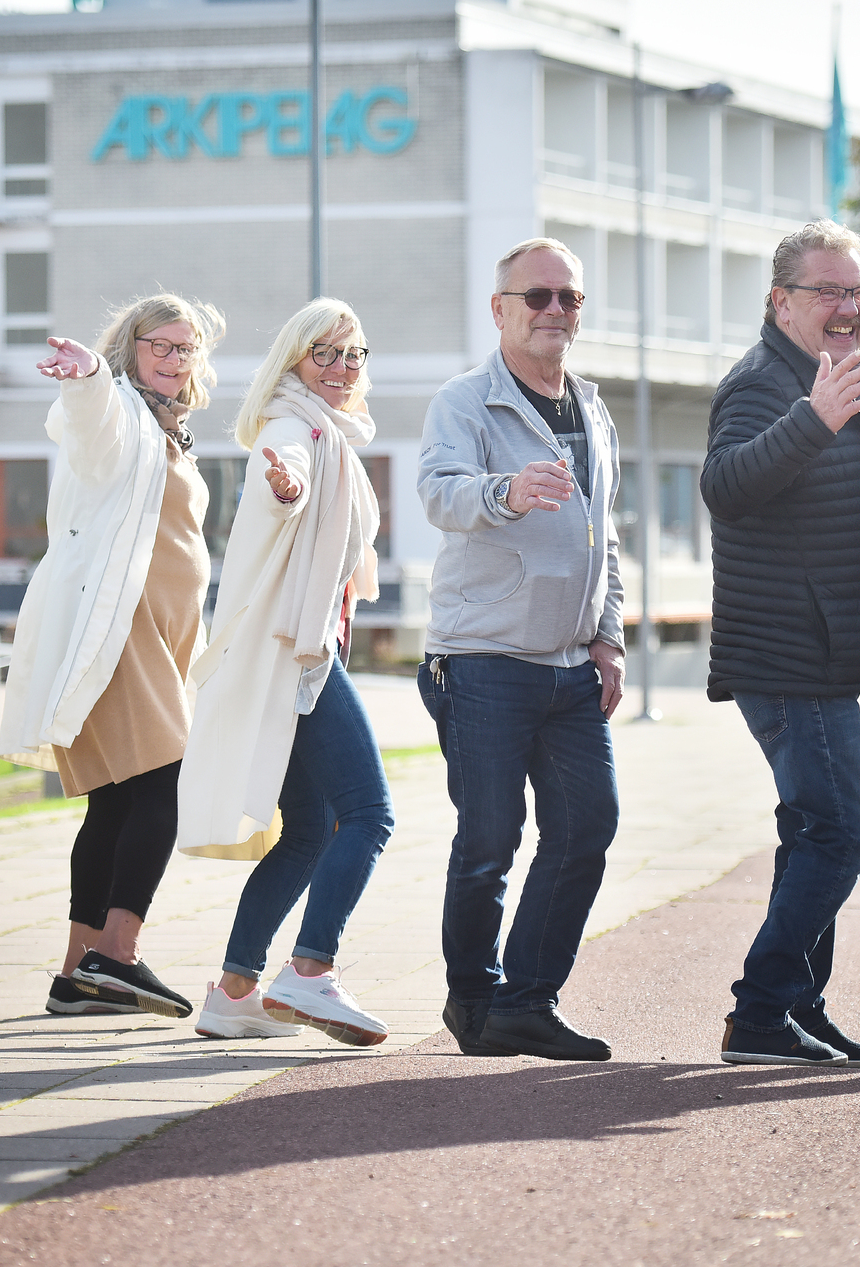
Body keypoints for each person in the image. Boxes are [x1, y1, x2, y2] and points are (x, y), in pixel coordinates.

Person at [416, 237, 625, 1063]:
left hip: (571, 667)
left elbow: (606, 535)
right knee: (491, 838)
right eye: (536, 297)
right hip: (482, 662)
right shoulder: (465, 400)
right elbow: (436, 491)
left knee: (587, 828)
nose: (554, 312)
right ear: (499, 309)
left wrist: (608, 635)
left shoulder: (594, 407)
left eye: (568, 298)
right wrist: (504, 492)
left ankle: (528, 999)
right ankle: (474, 997)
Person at [701, 220, 860, 1070]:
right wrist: (812, 420)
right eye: (829, 291)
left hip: (819, 650)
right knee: (842, 832)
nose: (849, 306)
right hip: (787, 655)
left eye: (859, 290)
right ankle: (760, 1014)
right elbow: (725, 487)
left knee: (810, 833)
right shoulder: (763, 384)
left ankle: (800, 1010)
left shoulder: (826, 372)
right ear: (781, 301)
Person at [0, 294, 225, 1020]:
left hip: (161, 636)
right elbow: (91, 431)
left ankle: (74, 975)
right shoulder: (119, 411)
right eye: (159, 345)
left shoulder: (171, 427)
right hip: (120, 631)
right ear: (130, 347)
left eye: (185, 349)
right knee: (166, 782)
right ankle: (116, 954)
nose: (173, 359)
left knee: (117, 800)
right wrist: (89, 376)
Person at [178, 298, 395, 1047]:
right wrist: (285, 489)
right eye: (324, 354)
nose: (340, 368)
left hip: (298, 647)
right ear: (295, 361)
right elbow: (285, 478)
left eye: (352, 354)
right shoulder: (293, 427)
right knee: (369, 813)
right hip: (296, 651)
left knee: (308, 829)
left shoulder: (328, 427)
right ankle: (310, 971)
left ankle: (234, 992)